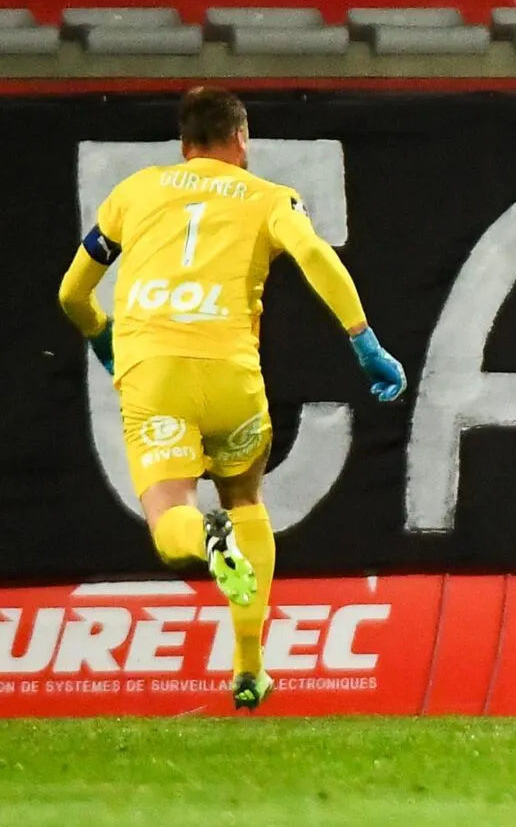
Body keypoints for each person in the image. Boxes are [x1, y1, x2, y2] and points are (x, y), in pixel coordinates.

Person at [57, 86, 407, 712]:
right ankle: (249, 668)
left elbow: (71, 294)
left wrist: (103, 340)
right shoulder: (270, 197)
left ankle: (205, 538)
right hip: (233, 381)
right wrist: (365, 343)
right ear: (241, 140)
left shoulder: (134, 192)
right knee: (246, 500)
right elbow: (313, 254)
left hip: (154, 377)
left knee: (170, 528)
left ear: (183, 143)